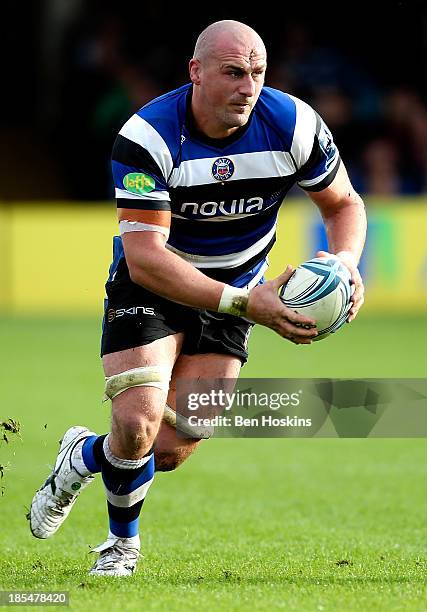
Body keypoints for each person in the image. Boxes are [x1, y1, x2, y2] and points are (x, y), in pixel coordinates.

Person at [28, 20, 366, 577]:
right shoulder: (148, 138)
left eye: (257, 72)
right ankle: (121, 546)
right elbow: (146, 258)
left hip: (237, 291)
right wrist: (245, 302)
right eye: (233, 72)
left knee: (169, 449)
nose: (247, 86)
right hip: (155, 286)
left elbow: (344, 204)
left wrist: (347, 264)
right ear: (196, 72)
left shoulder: (295, 125)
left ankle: (83, 456)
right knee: (136, 421)